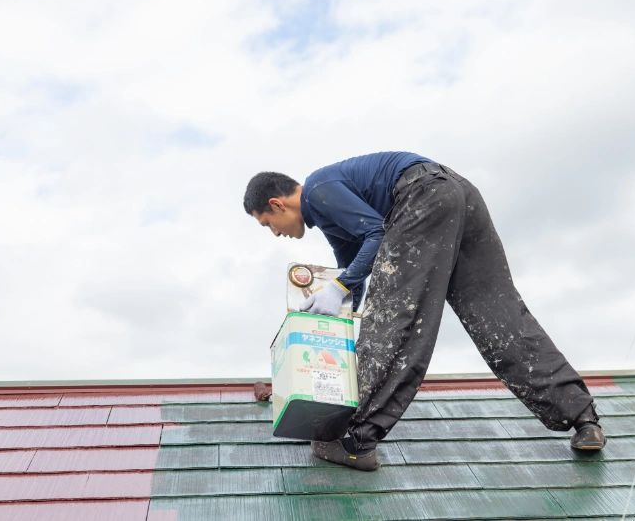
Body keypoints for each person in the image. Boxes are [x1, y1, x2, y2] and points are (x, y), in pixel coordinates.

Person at [243, 151, 606, 471]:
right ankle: (583, 419)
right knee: (497, 316)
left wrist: (342, 290)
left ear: (277, 204)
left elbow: (377, 237)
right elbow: (357, 269)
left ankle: (357, 441)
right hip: (457, 192)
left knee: (397, 318)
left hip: (421, 195)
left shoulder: (318, 187)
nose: (275, 233)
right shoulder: (330, 214)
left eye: (266, 224)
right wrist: (339, 300)